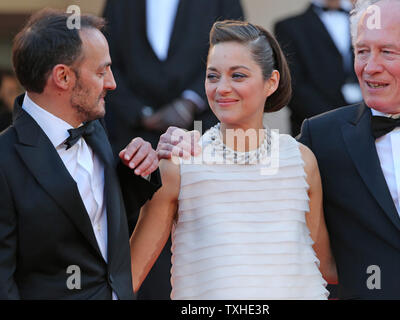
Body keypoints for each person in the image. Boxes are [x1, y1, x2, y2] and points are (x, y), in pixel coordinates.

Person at [131, 20, 336, 300]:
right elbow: (129, 275)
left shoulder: (302, 161)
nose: (222, 88)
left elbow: (324, 266)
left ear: (271, 82)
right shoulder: (179, 163)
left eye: (238, 76)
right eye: (212, 76)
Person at [0, 9, 161, 299]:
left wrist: (140, 168)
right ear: (63, 76)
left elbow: (95, 226)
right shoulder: (4, 161)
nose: (112, 83)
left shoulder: (96, 129)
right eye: (101, 72)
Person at [298, 0, 400, 299]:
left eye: (387, 51)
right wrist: (194, 146)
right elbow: (258, 175)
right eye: (362, 51)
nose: (370, 67)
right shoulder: (320, 136)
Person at [102, 0, 244, 299]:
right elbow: (106, 61)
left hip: (203, 132)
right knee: (140, 239)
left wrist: (191, 101)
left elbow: (236, 51)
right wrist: (141, 113)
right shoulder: (117, 4)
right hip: (134, 139)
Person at [275, 0, 361, 136]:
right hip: (315, 130)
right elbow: (293, 85)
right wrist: (337, 120)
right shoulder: (288, 27)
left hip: (366, 126)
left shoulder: (365, 22)